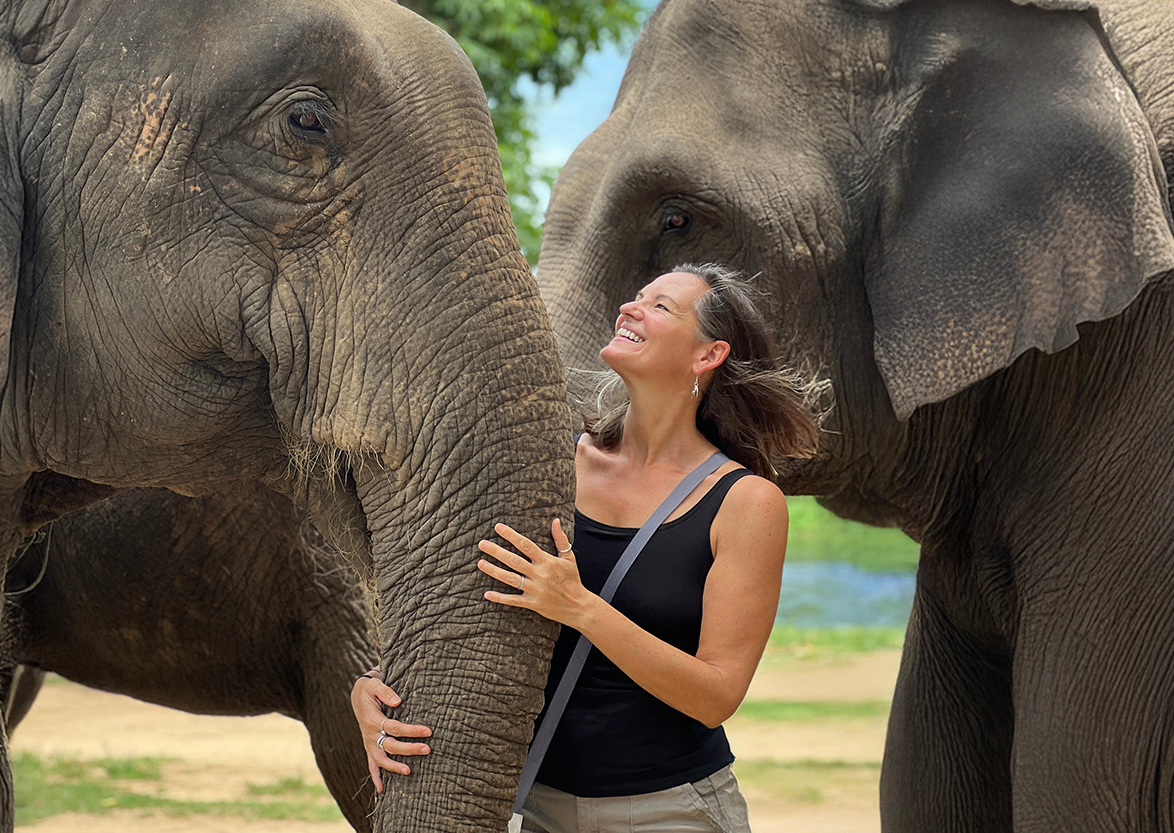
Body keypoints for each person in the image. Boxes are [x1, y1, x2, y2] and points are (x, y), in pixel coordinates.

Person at [351, 262, 822, 831]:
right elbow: (469, 598)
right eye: (637, 295)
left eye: (661, 306)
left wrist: (580, 607)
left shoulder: (746, 502)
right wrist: (371, 686)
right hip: (540, 805)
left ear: (708, 355)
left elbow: (716, 694)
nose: (631, 307)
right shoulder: (550, 461)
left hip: (670, 809)